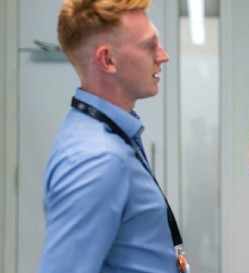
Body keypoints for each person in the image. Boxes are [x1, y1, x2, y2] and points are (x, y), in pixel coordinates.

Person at [38, 0, 183, 272]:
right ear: (107, 60)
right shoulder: (96, 158)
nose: (163, 55)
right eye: (150, 45)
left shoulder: (109, 134)